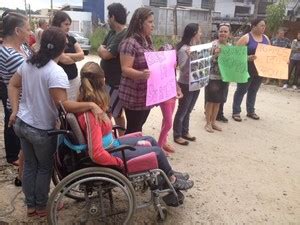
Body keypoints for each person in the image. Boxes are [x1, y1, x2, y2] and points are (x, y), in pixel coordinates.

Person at [8, 27, 102, 217]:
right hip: (41, 129)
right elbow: (64, 104)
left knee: (30, 166)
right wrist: (91, 104)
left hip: (22, 124)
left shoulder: (28, 63)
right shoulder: (55, 72)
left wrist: (15, 110)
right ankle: (42, 206)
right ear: (62, 50)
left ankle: (31, 206)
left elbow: (13, 84)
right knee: (44, 167)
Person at [76, 61, 194, 191]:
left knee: (149, 139)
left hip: (112, 145)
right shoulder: (93, 116)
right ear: (102, 81)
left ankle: (168, 173)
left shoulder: (89, 105)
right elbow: (96, 153)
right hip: (112, 153)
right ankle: (171, 180)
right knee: (158, 152)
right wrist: (117, 162)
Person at [0, 11, 32, 186]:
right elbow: (32, 77)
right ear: (18, 30)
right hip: (22, 106)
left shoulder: (21, 48)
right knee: (29, 149)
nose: (30, 32)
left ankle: (21, 177)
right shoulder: (11, 55)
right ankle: (27, 183)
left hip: (22, 104)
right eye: (28, 29)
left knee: (25, 149)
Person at [119, 7, 154, 134]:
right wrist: (141, 74)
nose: (153, 25)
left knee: (139, 126)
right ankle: (129, 152)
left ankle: (133, 149)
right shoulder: (130, 43)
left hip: (146, 95)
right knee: (134, 128)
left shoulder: (148, 41)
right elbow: (125, 69)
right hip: (133, 96)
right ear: (140, 23)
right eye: (150, 22)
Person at [232, 18, 270, 122]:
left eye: (264, 25)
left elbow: (270, 54)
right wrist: (247, 58)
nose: (264, 27)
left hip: (259, 70)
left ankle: (250, 111)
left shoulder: (266, 38)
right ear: (254, 26)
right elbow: (235, 54)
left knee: (253, 91)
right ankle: (236, 112)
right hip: (245, 69)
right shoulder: (246, 38)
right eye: (261, 25)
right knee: (241, 90)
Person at [98, 3, 127, 136]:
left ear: (113, 17)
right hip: (108, 81)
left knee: (115, 113)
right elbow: (101, 47)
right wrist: (102, 49)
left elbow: (105, 53)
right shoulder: (112, 32)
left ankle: (119, 139)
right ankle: (109, 137)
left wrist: (102, 50)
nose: (107, 20)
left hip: (116, 83)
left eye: (108, 16)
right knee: (110, 111)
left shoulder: (123, 35)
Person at [173, 23, 202, 146]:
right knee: (183, 110)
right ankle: (177, 134)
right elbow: (183, 68)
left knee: (188, 110)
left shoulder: (194, 47)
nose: (201, 34)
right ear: (194, 33)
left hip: (196, 82)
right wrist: (191, 57)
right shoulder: (184, 49)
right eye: (200, 32)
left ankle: (185, 131)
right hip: (186, 83)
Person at [157, 44, 183, 156]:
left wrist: (178, 89)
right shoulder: (158, 67)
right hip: (164, 95)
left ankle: (164, 142)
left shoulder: (172, 66)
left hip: (172, 93)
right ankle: (158, 147)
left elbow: (173, 78)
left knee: (166, 120)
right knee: (168, 123)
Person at [52, 11, 84, 100]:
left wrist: (66, 54)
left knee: (73, 103)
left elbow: (82, 55)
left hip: (73, 77)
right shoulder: (54, 39)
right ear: (58, 24)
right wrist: (75, 57)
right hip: (60, 80)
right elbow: (64, 60)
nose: (68, 27)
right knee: (63, 105)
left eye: (69, 24)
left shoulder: (71, 38)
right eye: (66, 24)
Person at [204, 23, 230, 133]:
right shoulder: (212, 45)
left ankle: (214, 122)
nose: (223, 33)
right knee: (210, 100)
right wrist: (215, 55)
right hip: (212, 77)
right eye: (221, 31)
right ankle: (208, 123)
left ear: (229, 34)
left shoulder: (230, 47)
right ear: (218, 33)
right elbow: (204, 60)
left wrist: (248, 58)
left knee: (218, 101)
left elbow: (234, 63)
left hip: (224, 78)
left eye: (225, 31)